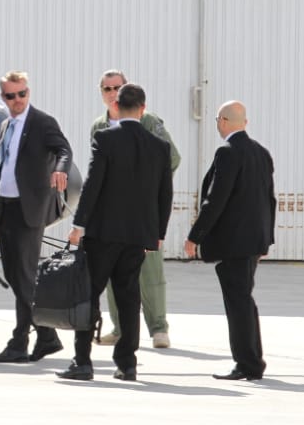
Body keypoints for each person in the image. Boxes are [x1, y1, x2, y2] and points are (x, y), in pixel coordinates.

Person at [63, 83, 173, 381]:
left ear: (116, 107)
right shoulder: (159, 146)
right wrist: (157, 234)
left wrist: (78, 225)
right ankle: (127, 363)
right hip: (138, 236)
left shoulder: (105, 139)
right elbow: (165, 195)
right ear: (143, 108)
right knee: (128, 298)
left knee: (89, 294)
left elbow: (93, 184)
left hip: (103, 233)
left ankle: (83, 361)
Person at [0, 71, 73, 364]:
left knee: (24, 276)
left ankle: (21, 342)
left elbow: (63, 149)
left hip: (28, 209)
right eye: (11, 96)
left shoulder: (42, 123)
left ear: (28, 93)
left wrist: (59, 169)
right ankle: (45, 338)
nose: (17, 100)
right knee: (15, 275)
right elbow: (3, 172)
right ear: (3, 97)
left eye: (22, 94)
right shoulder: (6, 125)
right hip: (6, 208)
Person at [184, 100, 275, 381]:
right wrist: (266, 240)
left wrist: (194, 237)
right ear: (244, 123)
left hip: (234, 243)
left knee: (238, 303)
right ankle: (252, 360)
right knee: (244, 299)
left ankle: (247, 362)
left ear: (222, 122)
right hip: (253, 241)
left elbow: (215, 200)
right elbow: (269, 200)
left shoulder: (227, 153)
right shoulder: (261, 153)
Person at [90, 69, 180, 349]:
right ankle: (119, 329)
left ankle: (158, 328)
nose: (113, 93)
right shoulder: (100, 127)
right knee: (113, 277)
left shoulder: (149, 121)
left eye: (118, 87)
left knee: (150, 273)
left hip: (143, 212)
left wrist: (148, 189)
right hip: (112, 216)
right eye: (107, 89)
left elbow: (171, 158)